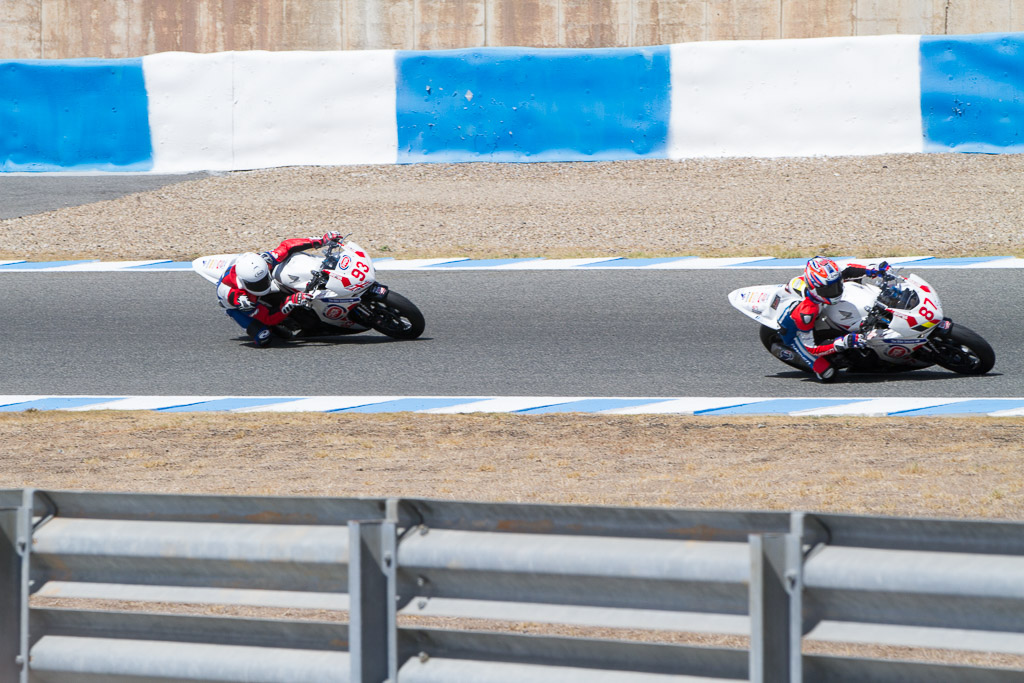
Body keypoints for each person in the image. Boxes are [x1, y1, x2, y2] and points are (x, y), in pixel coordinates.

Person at [217, 231, 341, 346]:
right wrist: (290, 302)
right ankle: (232, 314)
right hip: (235, 307)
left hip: (247, 272)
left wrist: (322, 241)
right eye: (257, 285)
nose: (262, 285)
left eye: (264, 279)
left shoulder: (265, 261)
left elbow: (287, 246)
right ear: (243, 283)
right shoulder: (241, 299)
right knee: (263, 338)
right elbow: (268, 318)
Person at [778, 256, 890, 382]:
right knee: (827, 373)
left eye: (837, 285)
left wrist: (871, 270)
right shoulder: (807, 312)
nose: (835, 291)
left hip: (816, 307)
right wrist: (843, 342)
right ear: (814, 289)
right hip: (792, 331)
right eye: (829, 290)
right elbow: (812, 348)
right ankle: (809, 361)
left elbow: (847, 271)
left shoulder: (826, 279)